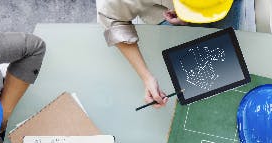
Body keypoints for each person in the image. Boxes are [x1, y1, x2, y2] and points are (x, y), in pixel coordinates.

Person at [97, 0, 242, 108]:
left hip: (224, 4)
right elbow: (112, 20)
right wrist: (147, 77)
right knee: (197, 83)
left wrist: (190, 14)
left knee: (230, 66)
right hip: (161, 14)